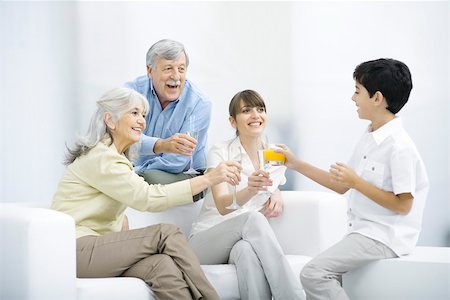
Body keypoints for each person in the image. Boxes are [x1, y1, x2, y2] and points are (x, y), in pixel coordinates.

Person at [51, 87, 241, 300]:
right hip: (76, 251)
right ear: (110, 120)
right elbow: (147, 198)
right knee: (165, 233)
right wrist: (207, 179)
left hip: (97, 249)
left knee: (161, 266)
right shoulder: (102, 157)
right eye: (133, 113)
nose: (142, 120)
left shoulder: (116, 158)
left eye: (143, 114)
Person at [277, 58, 429, 300]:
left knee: (313, 273)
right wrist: (295, 163)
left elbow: (403, 205)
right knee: (325, 276)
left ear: (377, 98)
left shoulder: (400, 147)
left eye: (357, 91)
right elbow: (340, 185)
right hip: (363, 232)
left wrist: (357, 182)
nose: (352, 98)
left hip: (384, 237)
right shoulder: (370, 135)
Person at [188, 90, 305, 300]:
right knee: (253, 218)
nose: (255, 115)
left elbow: (274, 181)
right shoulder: (220, 152)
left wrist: (276, 190)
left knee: (246, 252)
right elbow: (224, 206)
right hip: (207, 241)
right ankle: (293, 296)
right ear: (233, 121)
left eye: (260, 109)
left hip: (242, 241)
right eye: (246, 110)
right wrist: (250, 190)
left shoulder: (275, 155)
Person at [125, 39, 210, 201]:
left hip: (183, 174)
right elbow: (123, 137)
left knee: (148, 179)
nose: (176, 76)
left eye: (181, 69)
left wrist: (135, 173)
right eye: (168, 68)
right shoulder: (132, 92)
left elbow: (178, 160)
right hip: (136, 170)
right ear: (150, 71)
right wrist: (160, 145)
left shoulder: (199, 103)